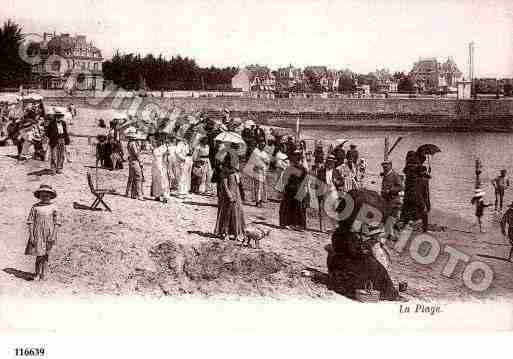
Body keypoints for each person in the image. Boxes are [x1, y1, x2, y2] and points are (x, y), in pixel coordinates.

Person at [25, 184, 61, 281]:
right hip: (38, 233)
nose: (45, 197)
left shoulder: (54, 207)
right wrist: (31, 235)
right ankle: (37, 273)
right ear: (39, 196)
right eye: (42, 195)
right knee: (38, 254)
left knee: (46, 255)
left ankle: (43, 274)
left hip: (49, 233)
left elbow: (57, 223)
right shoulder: (35, 207)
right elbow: (30, 222)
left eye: (47, 195)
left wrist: (53, 235)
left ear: (51, 196)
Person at [214, 152, 246, 241]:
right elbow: (224, 185)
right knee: (227, 214)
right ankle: (225, 232)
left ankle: (236, 233)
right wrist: (229, 195)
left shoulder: (236, 171)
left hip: (237, 194)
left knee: (237, 214)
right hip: (229, 195)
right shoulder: (225, 170)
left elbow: (239, 184)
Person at [279, 150, 308, 231]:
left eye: (297, 157)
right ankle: (286, 223)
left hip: (298, 189)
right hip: (289, 190)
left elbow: (305, 180)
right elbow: (284, 179)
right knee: (287, 206)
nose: (295, 159)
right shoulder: (289, 168)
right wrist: (284, 188)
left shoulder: (303, 169)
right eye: (294, 157)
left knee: (299, 207)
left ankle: (299, 224)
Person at [381, 160, 403, 239]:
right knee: (387, 216)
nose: (384, 167)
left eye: (386, 165)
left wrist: (390, 190)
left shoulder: (394, 175)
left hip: (393, 199)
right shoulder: (386, 175)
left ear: (390, 165)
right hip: (386, 199)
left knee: (391, 217)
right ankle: (390, 233)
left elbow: (400, 187)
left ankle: (392, 234)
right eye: (383, 166)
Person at [249, 140, 270, 207]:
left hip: (263, 171)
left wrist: (266, 162)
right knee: (257, 187)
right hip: (257, 171)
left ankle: (261, 199)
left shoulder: (265, 153)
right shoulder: (255, 152)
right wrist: (257, 164)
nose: (262, 146)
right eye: (261, 145)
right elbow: (252, 161)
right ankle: (258, 201)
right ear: (259, 144)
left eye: (264, 145)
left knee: (262, 187)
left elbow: (268, 161)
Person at [151, 134, 171, 203]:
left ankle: (165, 196)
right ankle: (157, 195)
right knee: (156, 180)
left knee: (164, 181)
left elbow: (166, 157)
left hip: (162, 166)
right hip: (156, 166)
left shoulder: (164, 148)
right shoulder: (156, 149)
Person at [125, 129, 144, 200]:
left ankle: (129, 193)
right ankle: (139, 195)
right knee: (138, 177)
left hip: (131, 161)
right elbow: (136, 154)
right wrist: (141, 161)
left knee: (131, 177)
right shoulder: (133, 143)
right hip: (135, 161)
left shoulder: (129, 143)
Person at [416, 165, 431, 232]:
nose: (425, 173)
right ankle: (424, 229)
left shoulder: (423, 179)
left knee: (424, 215)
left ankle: (424, 229)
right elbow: (419, 193)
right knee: (424, 215)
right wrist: (423, 204)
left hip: (424, 200)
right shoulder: (420, 180)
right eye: (424, 172)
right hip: (422, 201)